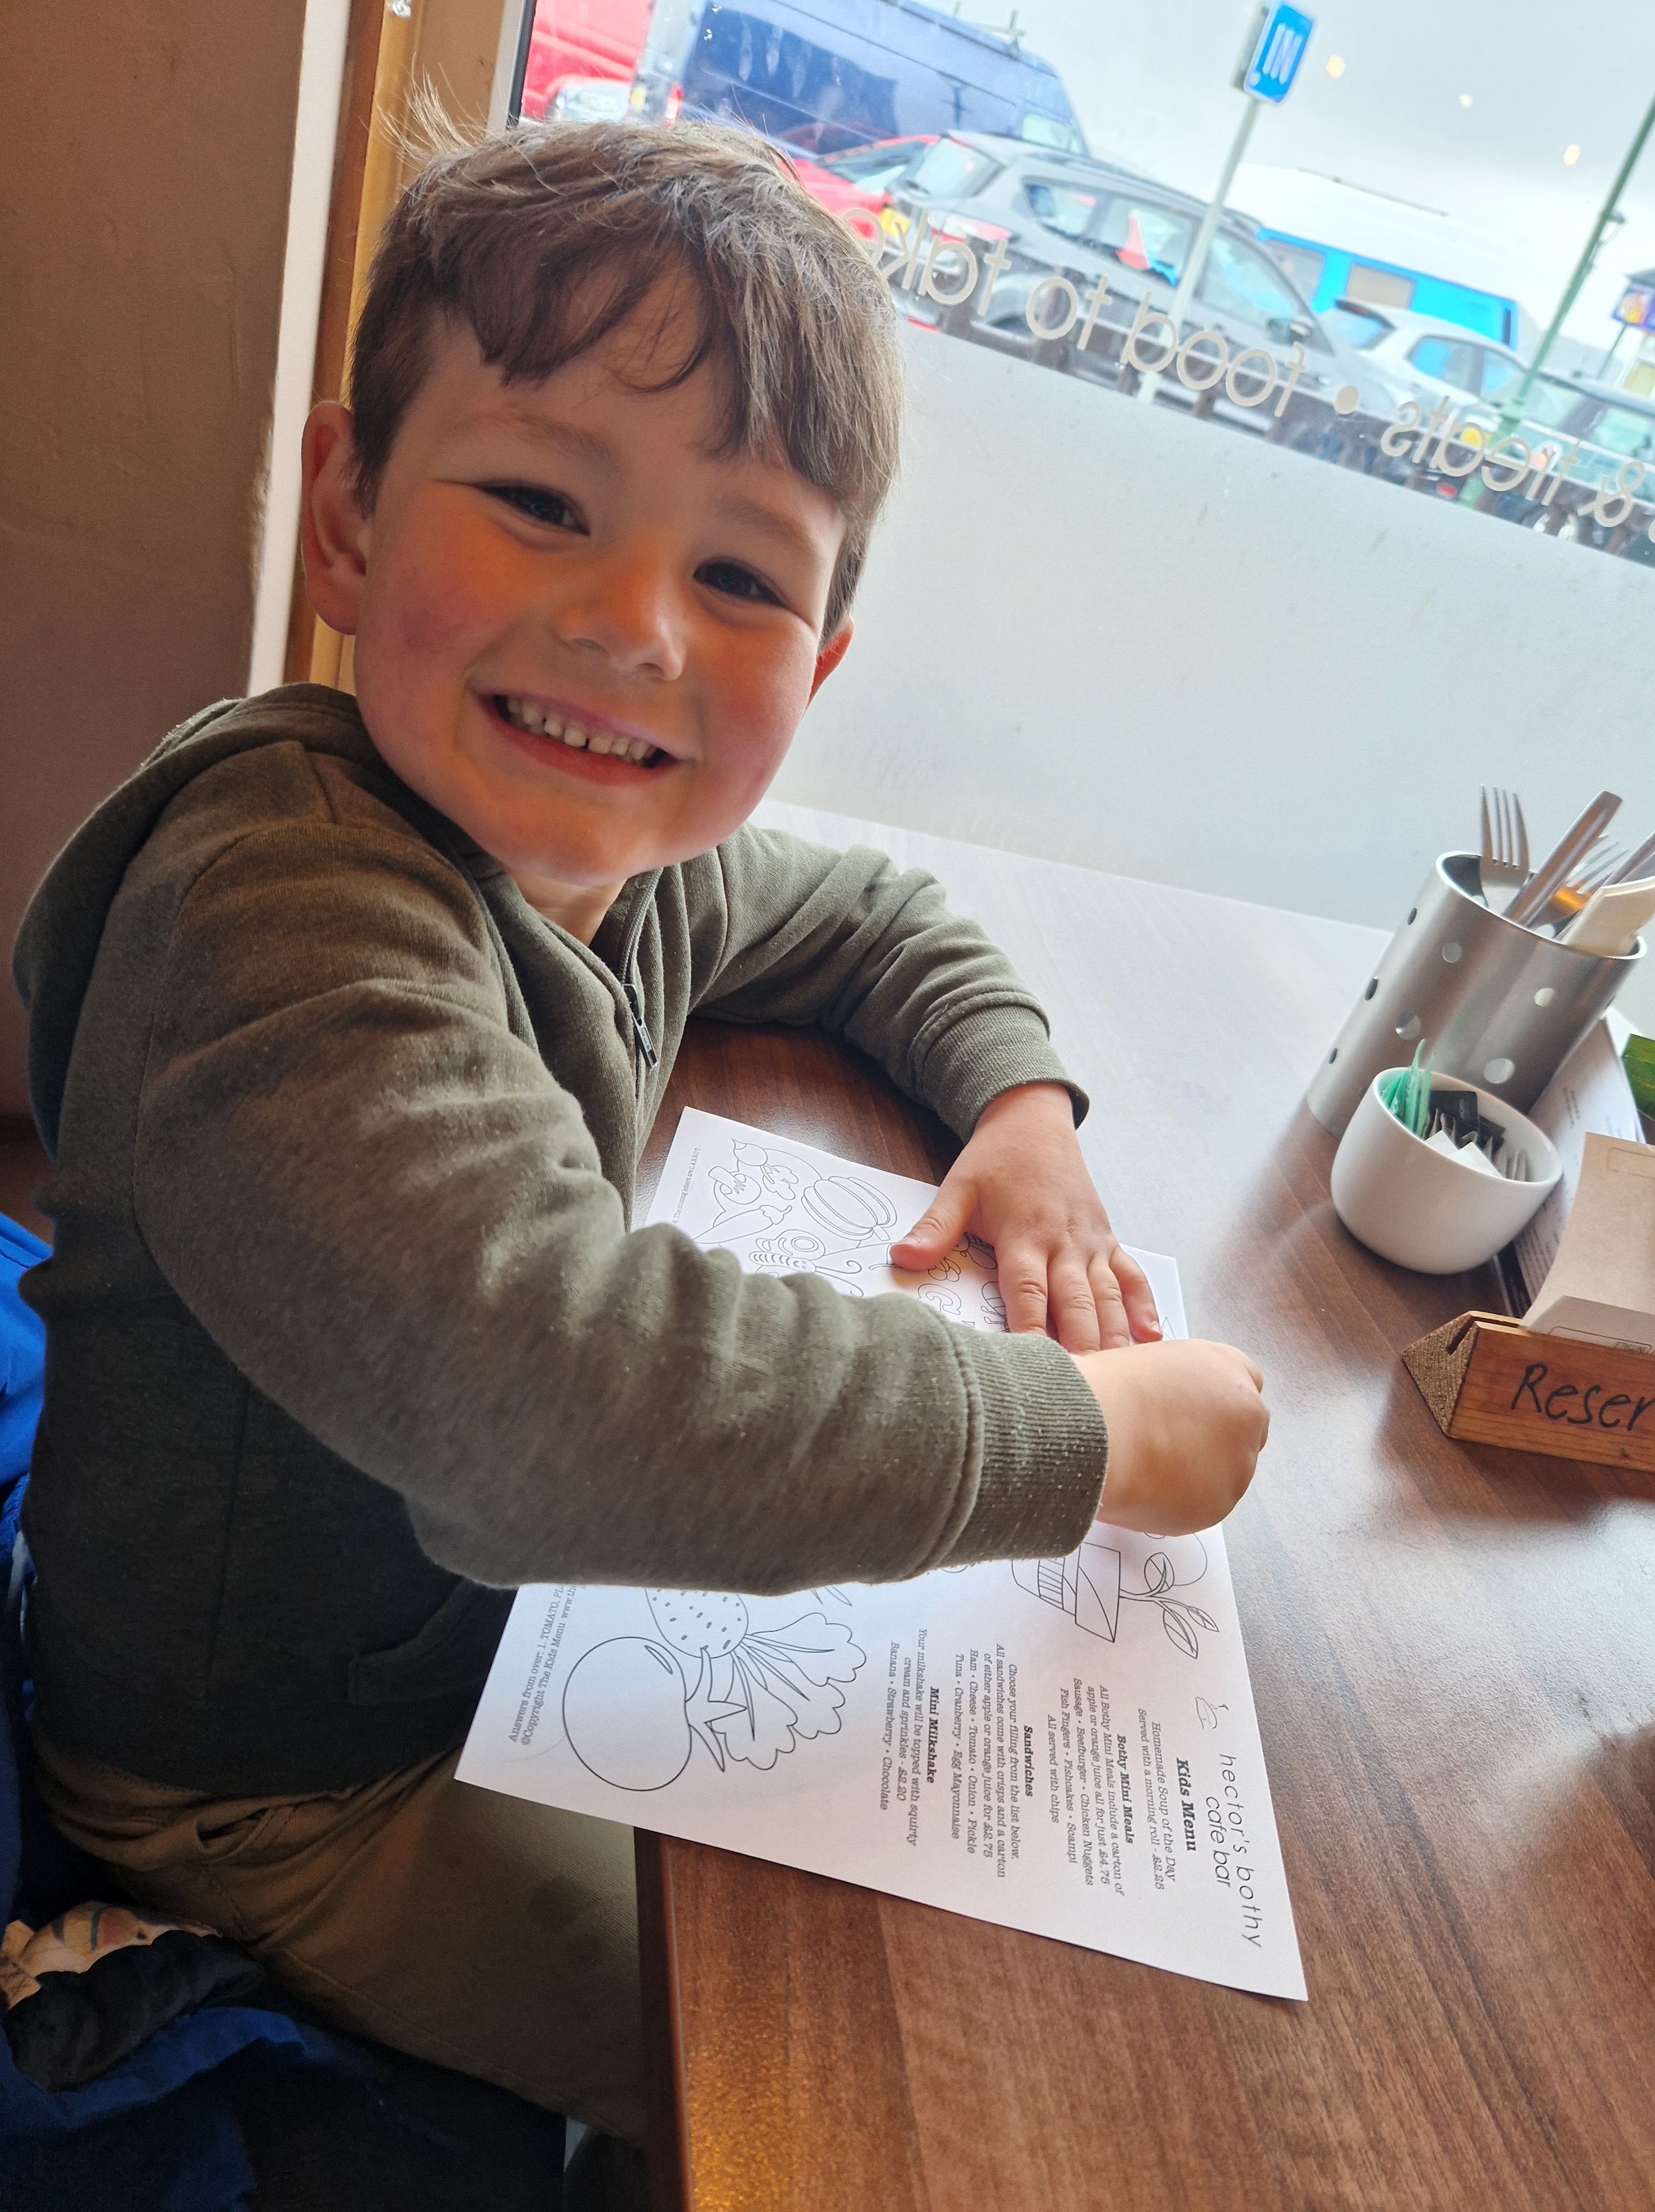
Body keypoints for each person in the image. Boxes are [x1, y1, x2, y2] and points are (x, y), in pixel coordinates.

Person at [10, 121, 1267, 2182]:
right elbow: (548, 1402)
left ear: (820, 664)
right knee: (863, 2096)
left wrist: (1025, 1112)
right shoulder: (279, 918)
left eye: (740, 576)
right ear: (347, 513)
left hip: (497, 1647)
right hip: (278, 1784)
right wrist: (1090, 1435)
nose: (634, 629)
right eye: (539, 502)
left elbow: (871, 917)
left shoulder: (619, 852)